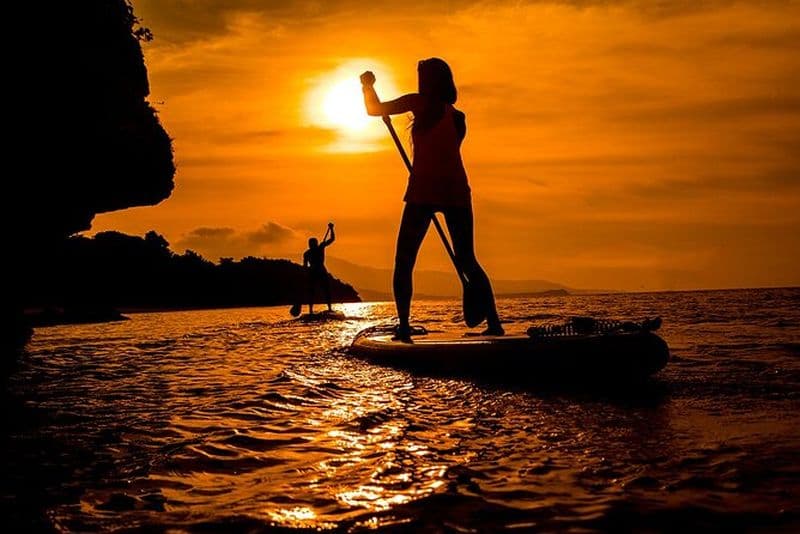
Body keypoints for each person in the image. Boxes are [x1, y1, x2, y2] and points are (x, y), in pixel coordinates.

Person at [360, 58, 503, 341]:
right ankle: (495, 323)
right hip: (457, 192)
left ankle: (403, 327)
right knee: (467, 260)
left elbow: (373, 110)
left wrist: (367, 86)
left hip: (424, 192)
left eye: (422, 76)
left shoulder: (418, 102)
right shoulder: (458, 117)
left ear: (428, 80)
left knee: (404, 261)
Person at [303, 222, 335, 314]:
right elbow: (305, 265)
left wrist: (332, 229)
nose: (311, 245)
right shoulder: (307, 253)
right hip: (313, 273)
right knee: (311, 292)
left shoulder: (320, 247)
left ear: (316, 244)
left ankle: (329, 309)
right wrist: (306, 273)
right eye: (310, 244)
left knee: (326, 290)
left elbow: (332, 239)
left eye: (313, 244)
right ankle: (311, 311)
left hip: (321, 271)